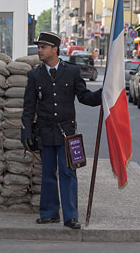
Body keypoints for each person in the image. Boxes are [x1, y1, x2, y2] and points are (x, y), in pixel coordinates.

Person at [21, 31, 102, 230]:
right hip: (45, 131)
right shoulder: (35, 75)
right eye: (39, 47)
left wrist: (104, 93)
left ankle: (70, 216)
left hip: (68, 133)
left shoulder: (72, 72)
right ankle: (49, 213)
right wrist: (26, 133)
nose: (39, 51)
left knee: (68, 173)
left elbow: (84, 97)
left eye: (43, 47)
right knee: (48, 174)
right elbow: (29, 107)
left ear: (54, 49)